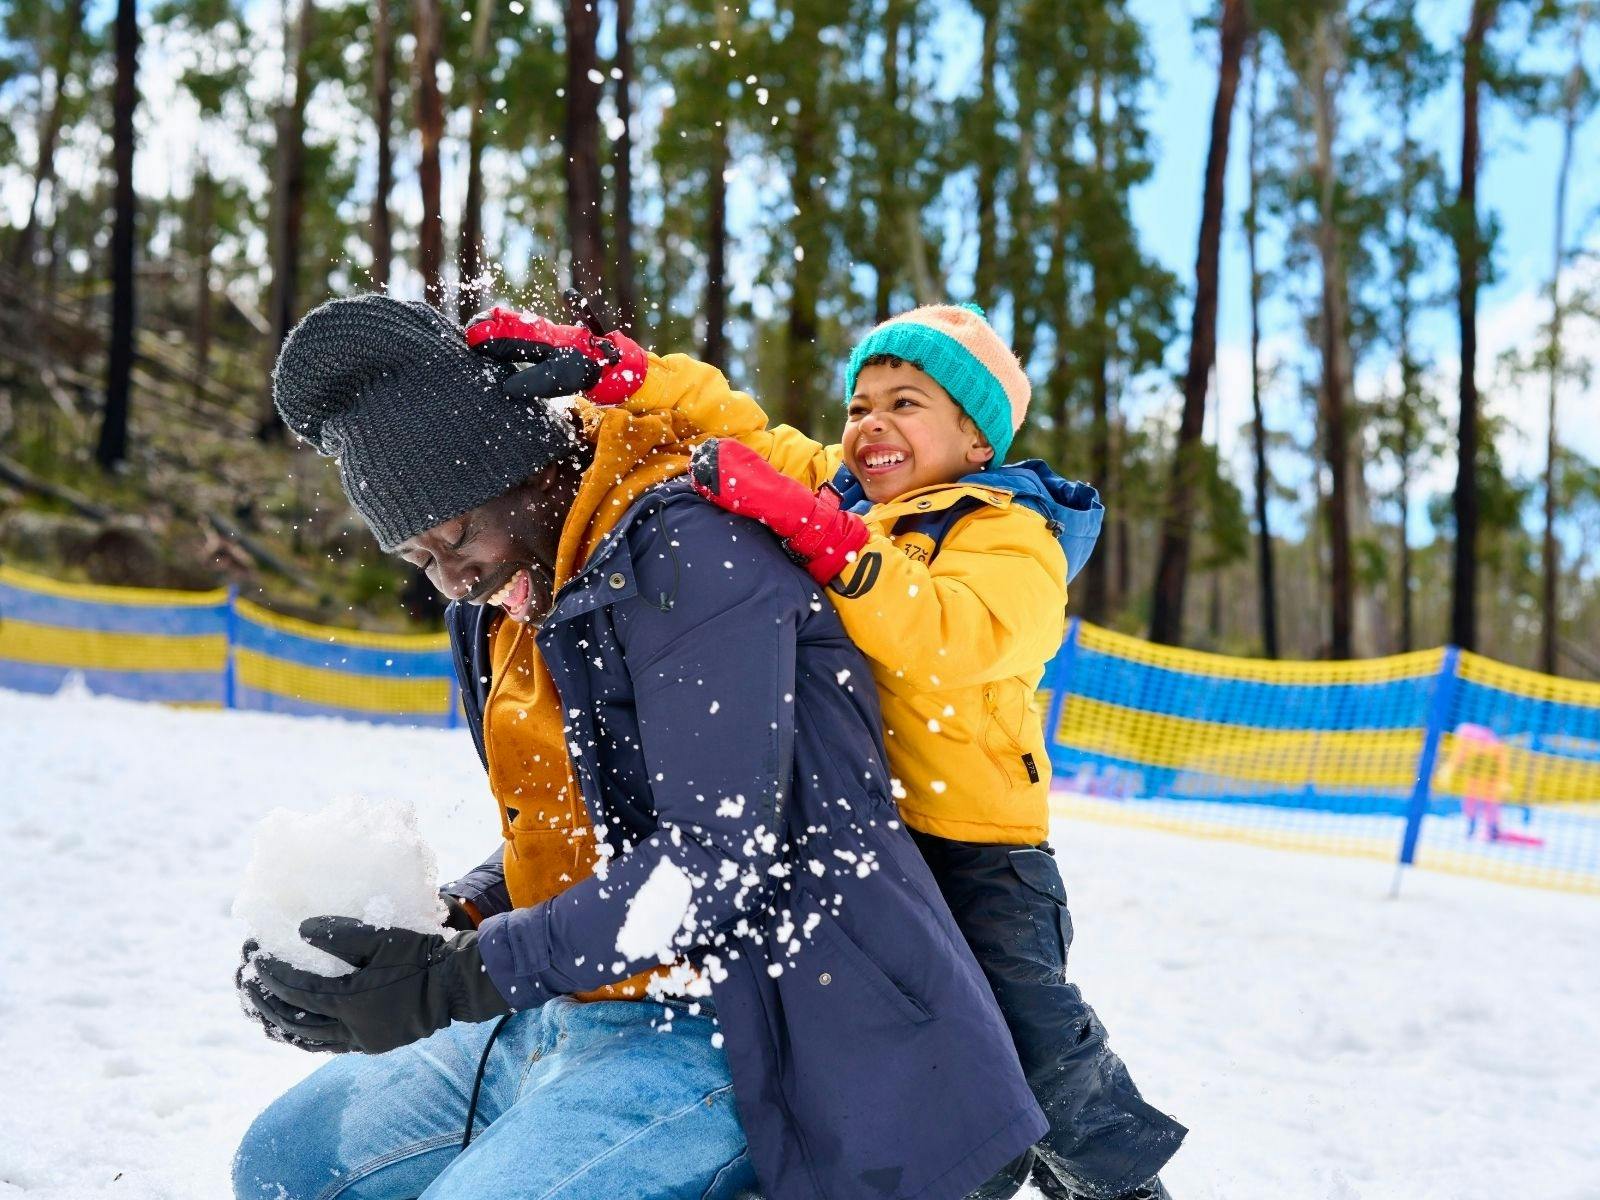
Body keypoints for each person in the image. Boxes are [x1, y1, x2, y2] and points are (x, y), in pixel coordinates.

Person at [231, 294, 1047, 1200]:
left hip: (743, 1026)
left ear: (529, 470)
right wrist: (434, 928)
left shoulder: (692, 554)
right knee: (284, 1163)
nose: (454, 579)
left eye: (458, 534)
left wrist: (458, 979)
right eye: (421, 558)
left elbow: (712, 865)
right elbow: (581, 825)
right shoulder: (506, 596)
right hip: (571, 1004)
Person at [465, 302, 1185, 1200]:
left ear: (975, 441)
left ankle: (1115, 1182)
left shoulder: (1012, 532)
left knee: (1034, 1042)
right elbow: (735, 423)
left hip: (978, 852)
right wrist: (619, 369)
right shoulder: (842, 492)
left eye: (907, 403)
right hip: (871, 842)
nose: (871, 424)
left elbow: (948, 634)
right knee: (892, 1048)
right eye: (859, 405)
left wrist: (827, 541)